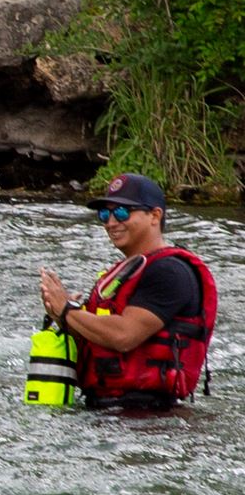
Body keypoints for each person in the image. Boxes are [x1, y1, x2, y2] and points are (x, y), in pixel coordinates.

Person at [37, 172, 218, 410]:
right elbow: (98, 337)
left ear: (155, 216)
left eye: (122, 212)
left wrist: (68, 311)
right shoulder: (124, 273)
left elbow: (124, 336)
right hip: (107, 410)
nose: (111, 222)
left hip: (152, 418)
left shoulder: (170, 272)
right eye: (105, 214)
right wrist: (61, 316)